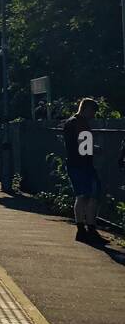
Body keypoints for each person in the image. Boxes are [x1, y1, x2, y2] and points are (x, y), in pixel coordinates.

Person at [63, 98, 107, 244]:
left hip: (73, 162)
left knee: (80, 195)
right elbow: (84, 147)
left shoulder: (70, 122)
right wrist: (96, 149)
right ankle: (91, 228)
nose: (94, 115)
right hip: (83, 164)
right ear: (87, 109)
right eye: (93, 111)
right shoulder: (81, 123)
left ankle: (81, 229)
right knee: (93, 194)